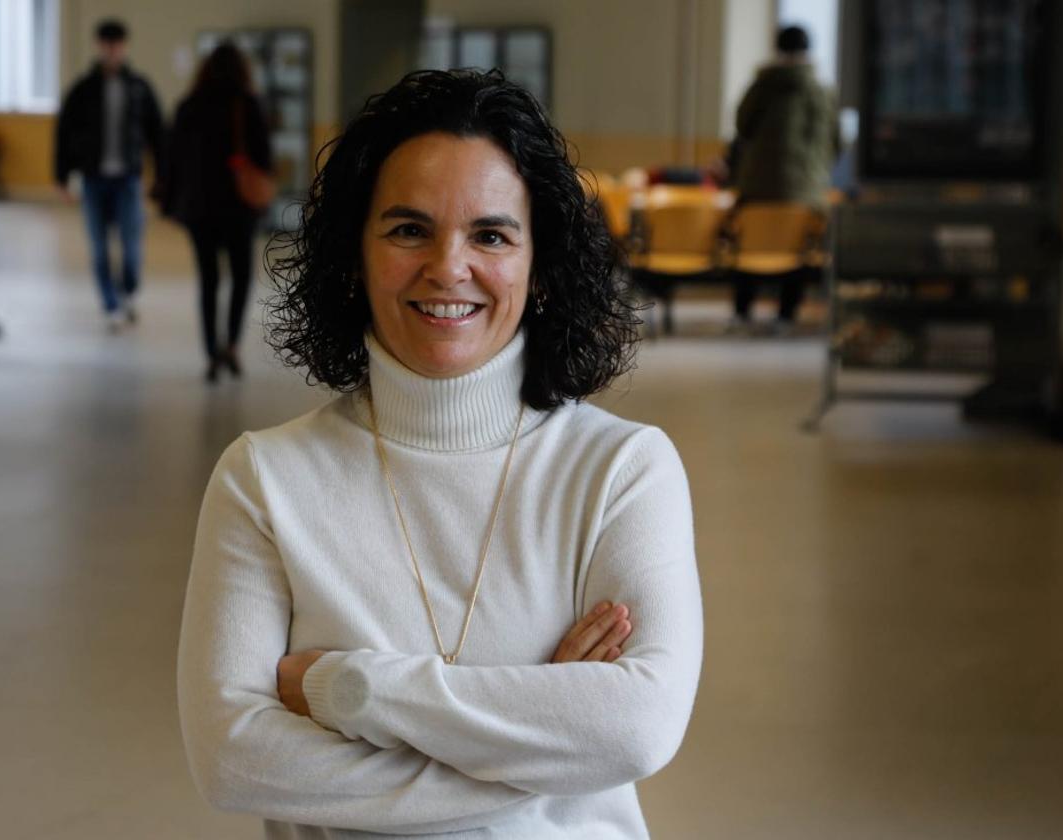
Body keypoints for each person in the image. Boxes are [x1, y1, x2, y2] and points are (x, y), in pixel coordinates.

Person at [177, 69, 703, 838]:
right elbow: (233, 760)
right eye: (408, 229)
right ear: (354, 254)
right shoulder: (265, 480)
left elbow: (636, 729)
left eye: (490, 234)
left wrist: (351, 690)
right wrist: (541, 745)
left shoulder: (622, 471)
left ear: (539, 263)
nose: (448, 268)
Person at [159, 42, 273, 383]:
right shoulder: (248, 106)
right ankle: (233, 346)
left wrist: (170, 204)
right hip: (239, 209)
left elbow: (171, 160)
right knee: (240, 277)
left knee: (208, 280)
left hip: (199, 208)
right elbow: (265, 158)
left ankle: (211, 351)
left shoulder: (188, 106)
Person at [54, 19, 164, 332]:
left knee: (131, 248)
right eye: (106, 44)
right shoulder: (83, 89)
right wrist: (61, 177)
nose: (111, 50)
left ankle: (127, 292)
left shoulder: (139, 87)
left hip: (128, 180)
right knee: (99, 248)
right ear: (98, 46)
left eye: (116, 44)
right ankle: (111, 305)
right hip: (93, 181)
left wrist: (162, 176)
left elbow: (158, 133)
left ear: (124, 47)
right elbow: (64, 134)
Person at [730, 25, 840, 331]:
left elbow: (742, 125)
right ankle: (786, 315)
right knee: (798, 250)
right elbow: (836, 140)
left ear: (777, 48)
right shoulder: (823, 91)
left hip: (758, 187)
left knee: (748, 245)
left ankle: (742, 312)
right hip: (806, 192)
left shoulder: (763, 85)